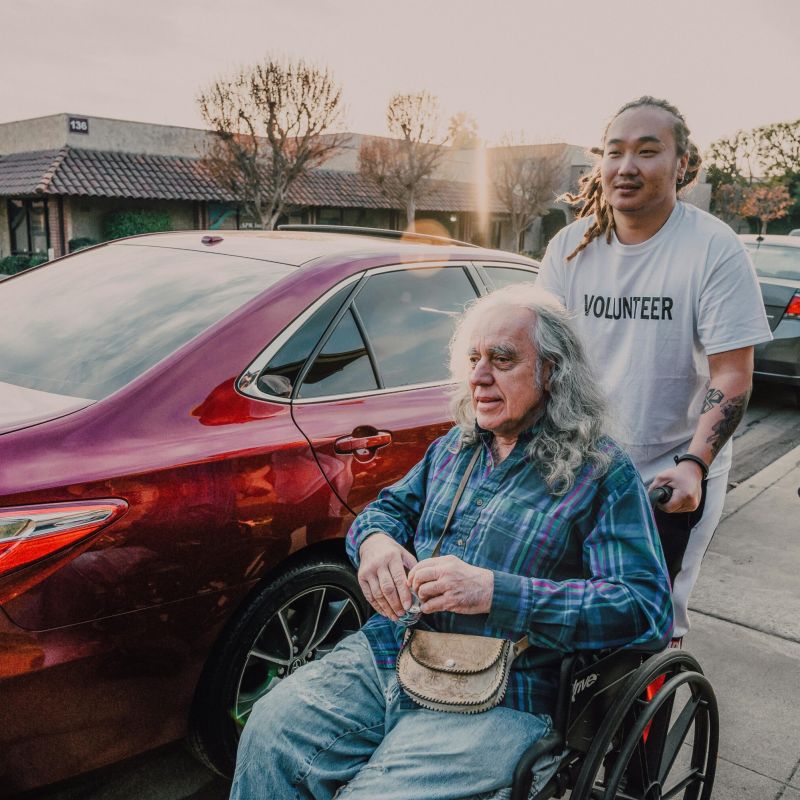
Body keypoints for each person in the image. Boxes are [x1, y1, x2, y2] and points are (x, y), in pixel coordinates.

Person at [229, 285, 673, 800]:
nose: (479, 376)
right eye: (473, 358)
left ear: (552, 371)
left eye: (502, 359)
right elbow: (387, 510)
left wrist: (493, 592)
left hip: (508, 690)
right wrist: (374, 544)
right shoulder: (456, 446)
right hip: (395, 652)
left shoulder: (600, 473)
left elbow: (645, 607)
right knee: (269, 730)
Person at [537, 96, 772, 641]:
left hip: (671, 473)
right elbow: (543, 357)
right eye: (615, 152)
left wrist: (694, 464)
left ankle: (648, 723)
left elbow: (732, 375)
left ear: (682, 164)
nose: (626, 166)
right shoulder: (570, 248)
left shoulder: (713, 249)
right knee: (563, 608)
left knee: (651, 618)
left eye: (647, 151)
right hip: (579, 465)